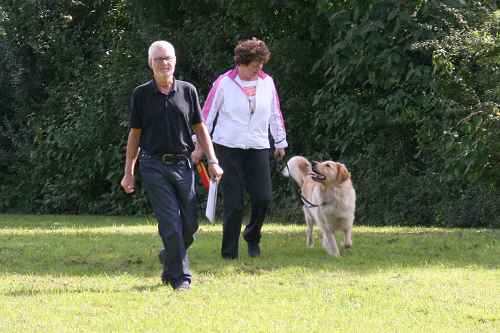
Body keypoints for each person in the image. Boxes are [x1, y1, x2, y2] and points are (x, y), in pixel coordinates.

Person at [121, 40, 223, 290]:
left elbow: (201, 130)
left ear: (175, 61)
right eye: (159, 59)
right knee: (171, 223)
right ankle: (181, 277)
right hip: (153, 165)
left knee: (190, 225)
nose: (164, 63)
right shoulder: (141, 94)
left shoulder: (188, 91)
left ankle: (170, 258)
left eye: (168, 58)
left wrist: (212, 160)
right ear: (150, 64)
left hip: (183, 165)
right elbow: (134, 135)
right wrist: (128, 173)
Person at [192, 37, 287, 259]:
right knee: (234, 203)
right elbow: (206, 115)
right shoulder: (223, 82)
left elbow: (275, 112)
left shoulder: (267, 82)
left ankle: (252, 235)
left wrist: (280, 141)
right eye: (255, 65)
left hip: (258, 146)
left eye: (261, 65)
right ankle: (229, 254)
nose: (259, 69)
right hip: (227, 147)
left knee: (263, 198)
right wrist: (199, 146)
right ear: (242, 63)